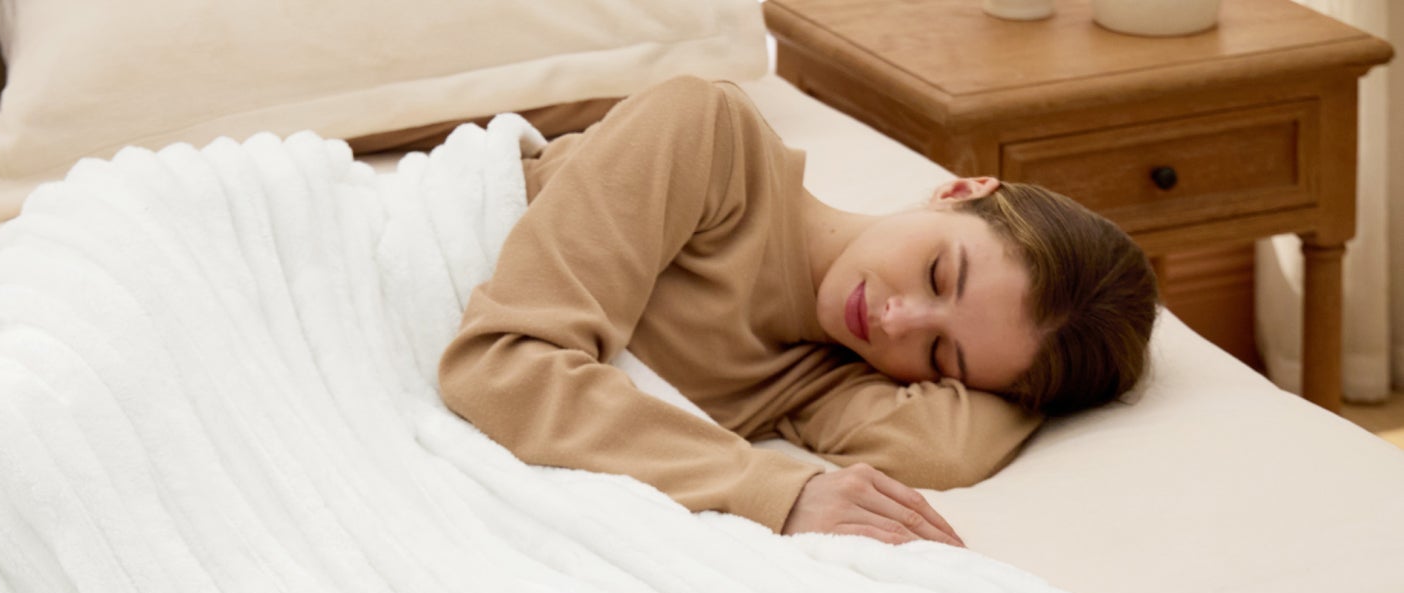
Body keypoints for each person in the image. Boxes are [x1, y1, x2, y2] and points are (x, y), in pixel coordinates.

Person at [437, 75, 1159, 548]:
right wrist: (771, 487)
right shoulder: (711, 140)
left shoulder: (826, 381)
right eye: (940, 273)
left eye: (943, 356)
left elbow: (941, 451)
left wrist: (1038, 382)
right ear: (958, 189)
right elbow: (500, 365)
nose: (896, 320)